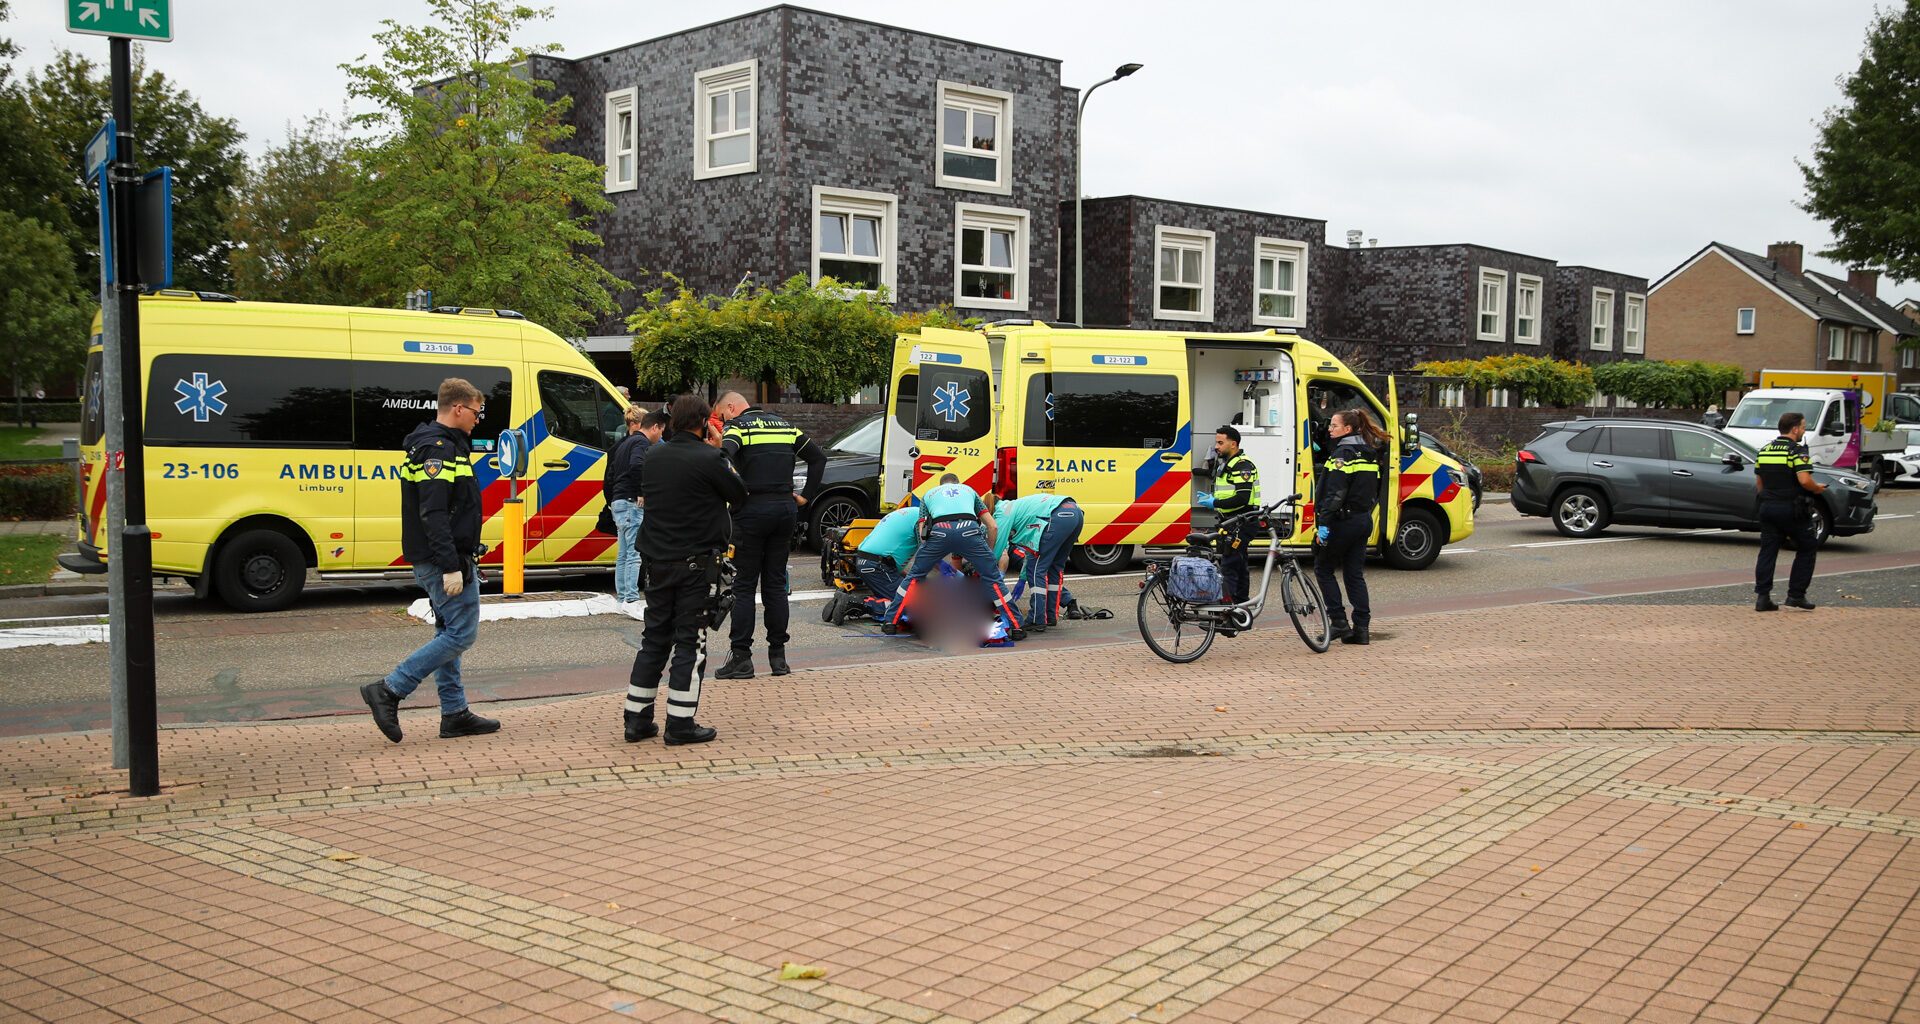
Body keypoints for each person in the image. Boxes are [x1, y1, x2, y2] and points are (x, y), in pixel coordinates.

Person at [360, 378, 500, 743]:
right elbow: (433, 513)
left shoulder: (444, 445)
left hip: (444, 556)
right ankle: (390, 690)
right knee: (461, 633)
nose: (478, 419)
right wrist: (451, 565)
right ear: (458, 409)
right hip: (444, 560)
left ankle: (454, 713)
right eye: (475, 411)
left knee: (447, 631)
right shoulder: (437, 450)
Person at [624, 395, 748, 745]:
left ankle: (636, 720)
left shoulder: (653, 455)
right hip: (695, 565)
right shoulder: (711, 457)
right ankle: (679, 724)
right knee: (690, 642)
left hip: (656, 563)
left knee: (654, 639)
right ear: (704, 422)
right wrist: (721, 447)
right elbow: (739, 493)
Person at [712, 393, 827, 679]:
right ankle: (779, 658)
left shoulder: (739, 427)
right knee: (775, 585)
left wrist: (733, 493)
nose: (726, 422)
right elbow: (818, 457)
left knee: (744, 587)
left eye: (724, 416)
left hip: (750, 512)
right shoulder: (786, 426)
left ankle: (741, 659)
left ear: (730, 407)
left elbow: (723, 456)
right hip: (784, 510)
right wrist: (806, 498)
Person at [886, 474, 1024, 639]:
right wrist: (988, 552)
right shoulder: (969, 491)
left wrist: (928, 553)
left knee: (914, 577)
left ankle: (890, 623)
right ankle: (1016, 627)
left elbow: (922, 533)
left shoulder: (928, 494)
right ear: (957, 484)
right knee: (993, 580)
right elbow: (992, 526)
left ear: (941, 484)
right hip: (970, 530)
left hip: (939, 531)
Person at [1313, 407, 1387, 645]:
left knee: (1324, 569)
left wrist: (1324, 522)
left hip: (1342, 521)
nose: (1330, 429)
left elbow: (1335, 493)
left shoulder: (1342, 454)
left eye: (1334, 426)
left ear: (1347, 429)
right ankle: (1361, 629)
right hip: (1362, 519)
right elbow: (1374, 489)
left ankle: (1338, 622)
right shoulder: (1369, 453)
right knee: (1354, 574)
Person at [1753, 411, 1824, 612]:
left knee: (1768, 551)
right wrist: (1817, 488)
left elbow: (1760, 481)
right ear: (1794, 429)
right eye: (1802, 427)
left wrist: (1767, 497)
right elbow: (1804, 480)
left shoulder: (1765, 450)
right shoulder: (1796, 452)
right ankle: (1796, 595)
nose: (1803, 430)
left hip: (1768, 507)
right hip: (1792, 508)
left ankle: (1763, 597)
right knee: (1808, 546)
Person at [606, 408, 667, 618]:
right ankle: (632, 599)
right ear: (655, 427)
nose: (661, 437)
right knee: (634, 554)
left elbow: (613, 472)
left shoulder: (625, 443)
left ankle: (622, 598)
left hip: (618, 501)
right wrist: (642, 490)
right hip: (631, 502)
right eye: (661, 432)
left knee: (623, 554)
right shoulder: (641, 443)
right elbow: (637, 466)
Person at [992, 492, 1083, 629]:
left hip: (1056, 516)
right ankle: (1051, 616)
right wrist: (1022, 578)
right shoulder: (1016, 506)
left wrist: (988, 566)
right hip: (1075, 512)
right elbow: (1030, 550)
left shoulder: (1001, 512)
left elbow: (999, 544)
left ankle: (1037, 619)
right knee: (1055, 567)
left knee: (1036, 570)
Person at [1199, 425, 1259, 605]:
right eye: (1216, 442)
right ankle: (1240, 604)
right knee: (1239, 565)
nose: (1216, 446)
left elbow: (1242, 497)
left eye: (1220, 442)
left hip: (1243, 520)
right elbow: (1229, 493)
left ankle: (1227, 607)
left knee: (1230, 564)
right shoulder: (1228, 463)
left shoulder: (1242, 466)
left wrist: (1215, 502)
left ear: (1233, 444)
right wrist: (1215, 498)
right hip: (1231, 521)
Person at [852, 504, 924, 622]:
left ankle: (875, 604)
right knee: (915, 607)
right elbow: (926, 555)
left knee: (900, 597)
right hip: (878, 566)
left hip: (867, 562)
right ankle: (858, 603)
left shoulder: (911, 513)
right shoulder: (921, 521)